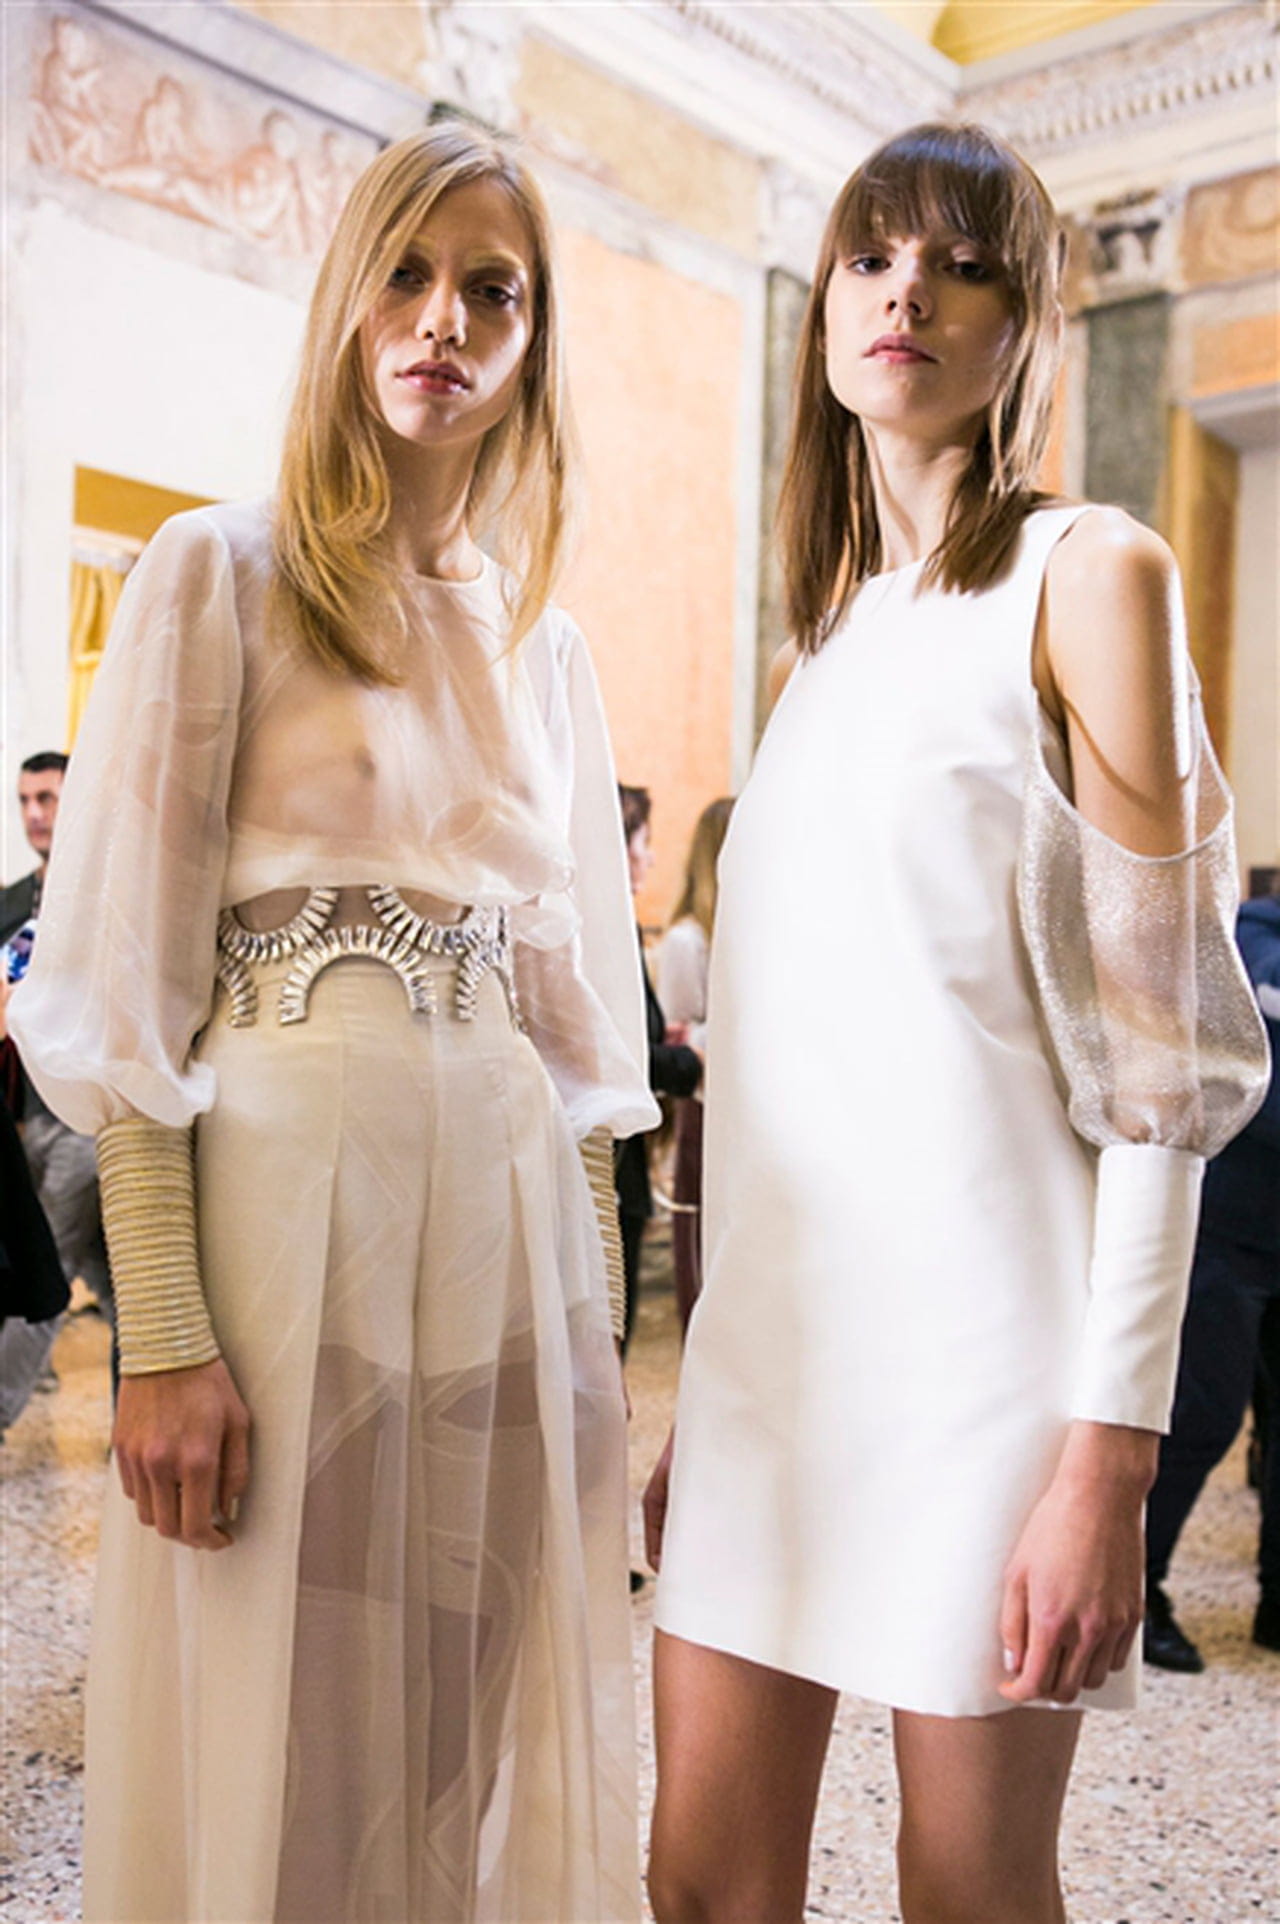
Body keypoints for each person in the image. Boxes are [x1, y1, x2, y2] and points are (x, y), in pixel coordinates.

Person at [10, 122, 658, 1924]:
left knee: (452, 1742)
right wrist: (161, 1336)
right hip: (286, 1239)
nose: (442, 319)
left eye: (491, 290)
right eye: (406, 273)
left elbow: (580, 1048)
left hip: (506, 1249)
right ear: (348, 301)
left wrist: (595, 1357)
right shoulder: (216, 571)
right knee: (280, 1740)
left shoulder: (544, 645)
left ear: (533, 339)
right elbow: (127, 988)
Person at [641, 122, 1269, 1924]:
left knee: (972, 1887)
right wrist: (703, 1387)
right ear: (828, 308)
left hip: (991, 1363)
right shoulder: (820, 650)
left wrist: (1111, 1452)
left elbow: (1165, 1065)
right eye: (871, 255)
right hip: (774, 1363)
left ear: (1027, 324)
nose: (906, 290)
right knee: (700, 1882)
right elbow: (776, 1075)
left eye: (963, 262)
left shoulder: (1092, 574)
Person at [1143, 885, 1280, 1670]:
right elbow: (1249, 1067)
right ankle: (1140, 1587)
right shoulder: (1254, 936)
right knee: (1201, 1416)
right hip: (1227, 1230)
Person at [0, 751, 111, 1432]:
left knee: (46, 1264)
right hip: (25, 1116)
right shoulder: (10, 903)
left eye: (49, 799)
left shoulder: (106, 896)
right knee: (109, 1279)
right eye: (25, 801)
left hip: (86, 1116)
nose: (35, 814)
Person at [614, 784, 702, 1353]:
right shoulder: (603, 926)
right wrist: (687, 1061)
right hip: (610, 1167)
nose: (649, 858)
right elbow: (615, 1052)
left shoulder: (618, 920)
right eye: (643, 843)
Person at [657, 797, 733, 1331]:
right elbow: (679, 1030)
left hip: (745, 1106)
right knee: (701, 1245)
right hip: (705, 1107)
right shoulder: (688, 940)